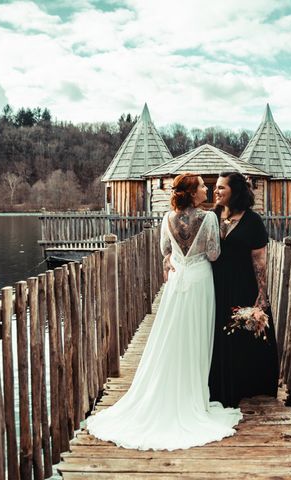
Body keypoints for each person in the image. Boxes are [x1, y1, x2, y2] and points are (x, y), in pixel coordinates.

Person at [86, 173, 242, 450]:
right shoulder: (208, 219)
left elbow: (165, 252)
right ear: (193, 193)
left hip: (177, 281)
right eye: (202, 186)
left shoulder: (166, 219)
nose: (207, 188)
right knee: (196, 338)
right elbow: (215, 254)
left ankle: (171, 391)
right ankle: (194, 395)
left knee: (172, 335)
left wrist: (174, 260)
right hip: (200, 281)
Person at [208, 171, 280, 408]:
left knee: (241, 333)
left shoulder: (253, 221)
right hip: (214, 285)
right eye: (216, 187)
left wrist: (261, 296)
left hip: (242, 283)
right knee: (217, 333)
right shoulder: (212, 216)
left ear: (235, 192)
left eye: (221, 188)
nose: (215, 191)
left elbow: (259, 261)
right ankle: (216, 385)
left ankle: (242, 386)